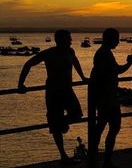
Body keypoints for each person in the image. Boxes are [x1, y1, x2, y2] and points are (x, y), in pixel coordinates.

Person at [17, 30, 88, 166]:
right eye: (68, 39)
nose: (71, 41)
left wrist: (83, 77)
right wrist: (20, 84)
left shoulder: (70, 52)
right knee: (56, 127)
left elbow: (76, 63)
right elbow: (28, 64)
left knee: (77, 114)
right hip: (53, 92)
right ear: (60, 40)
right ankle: (63, 156)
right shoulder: (49, 53)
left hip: (67, 90)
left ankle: (61, 122)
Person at [89, 28, 132, 168]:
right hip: (107, 97)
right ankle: (103, 159)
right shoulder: (105, 54)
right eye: (116, 38)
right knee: (112, 127)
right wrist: (129, 63)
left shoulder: (103, 52)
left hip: (105, 96)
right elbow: (117, 70)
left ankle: (96, 157)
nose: (118, 41)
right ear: (111, 39)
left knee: (102, 127)